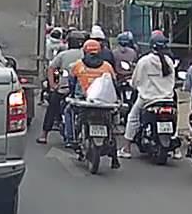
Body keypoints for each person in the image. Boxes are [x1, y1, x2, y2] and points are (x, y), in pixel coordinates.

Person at [118, 30, 179, 159]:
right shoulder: (169, 61)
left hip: (147, 99)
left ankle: (126, 148)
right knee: (174, 118)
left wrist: (133, 85)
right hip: (167, 98)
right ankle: (176, 150)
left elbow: (135, 81)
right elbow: (172, 81)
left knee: (132, 118)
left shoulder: (144, 61)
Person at [72, 39, 122, 169]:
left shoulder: (78, 65)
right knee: (111, 126)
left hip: (85, 101)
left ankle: (75, 140)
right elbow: (114, 83)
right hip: (104, 102)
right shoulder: (107, 66)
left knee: (71, 113)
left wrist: (72, 95)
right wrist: (117, 99)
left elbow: (72, 82)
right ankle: (115, 159)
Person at [39, 30, 88, 144]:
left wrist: (53, 84)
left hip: (63, 89)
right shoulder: (85, 55)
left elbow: (52, 68)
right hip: (83, 91)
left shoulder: (63, 55)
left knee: (51, 109)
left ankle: (44, 135)